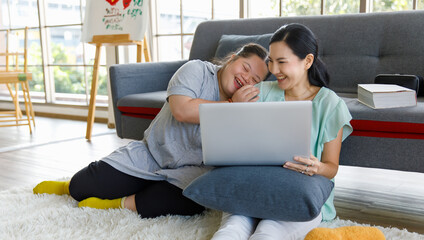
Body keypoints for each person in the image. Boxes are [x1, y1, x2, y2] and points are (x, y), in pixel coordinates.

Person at [33, 43, 269, 218]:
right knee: (81, 187)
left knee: (195, 201)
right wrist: (231, 106)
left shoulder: (249, 107)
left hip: (193, 171)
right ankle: (67, 185)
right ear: (233, 58)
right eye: (245, 67)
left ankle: (120, 204)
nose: (245, 78)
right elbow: (182, 110)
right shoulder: (196, 70)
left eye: (254, 79)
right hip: (151, 153)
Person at [211, 24, 353, 240]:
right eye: (271, 61)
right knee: (230, 231)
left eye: (282, 62)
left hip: (299, 192)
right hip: (253, 185)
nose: (274, 70)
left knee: (268, 232)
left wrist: (317, 167)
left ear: (307, 61)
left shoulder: (330, 105)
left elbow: (331, 168)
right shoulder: (258, 92)